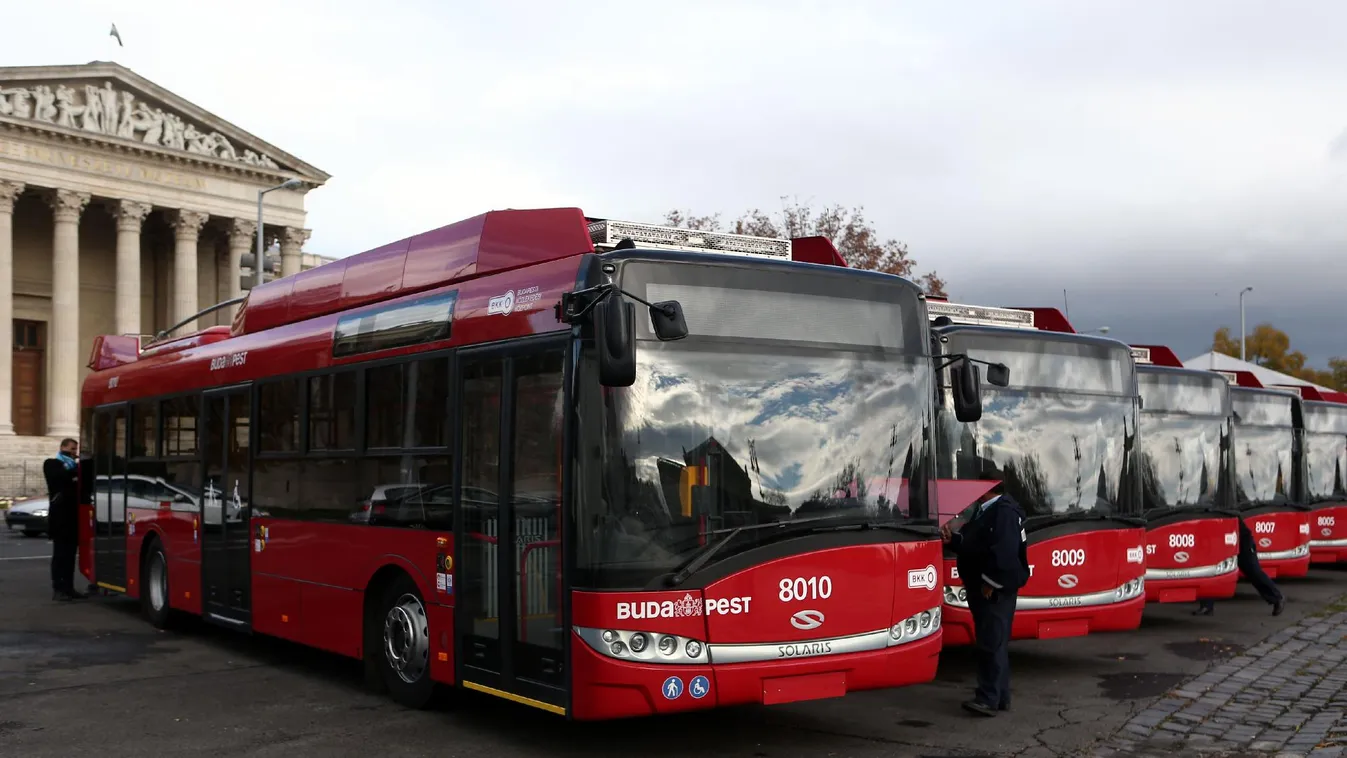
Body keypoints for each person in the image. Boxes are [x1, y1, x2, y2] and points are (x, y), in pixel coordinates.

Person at [940, 485, 1030, 717]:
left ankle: (988, 698)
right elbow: (978, 544)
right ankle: (999, 696)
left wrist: (992, 582)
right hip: (987, 587)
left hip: (994, 591)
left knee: (991, 644)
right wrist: (955, 540)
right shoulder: (990, 509)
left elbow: (1006, 553)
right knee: (993, 643)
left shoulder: (1003, 512)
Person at [1195, 517, 1284, 617]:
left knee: (1253, 572)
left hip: (1242, 542)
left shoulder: (1223, 505)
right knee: (1211, 568)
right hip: (1223, 540)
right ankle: (1207, 606)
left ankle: (1277, 598)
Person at [43, 437, 85, 602]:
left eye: (76, 449)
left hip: (73, 517)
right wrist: (74, 472)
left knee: (70, 555)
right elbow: (60, 478)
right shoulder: (52, 463)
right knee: (60, 555)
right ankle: (58, 588)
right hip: (60, 518)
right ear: (63, 448)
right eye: (72, 449)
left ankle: (68, 587)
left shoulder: (74, 467)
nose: (75, 452)